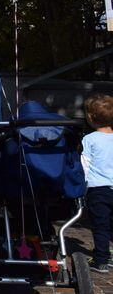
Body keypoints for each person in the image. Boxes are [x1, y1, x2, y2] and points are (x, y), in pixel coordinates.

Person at [83, 94, 113, 273]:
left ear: (90, 118)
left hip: (98, 189)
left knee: (101, 225)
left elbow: (85, 165)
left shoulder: (90, 139)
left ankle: (101, 260)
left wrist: (82, 186)